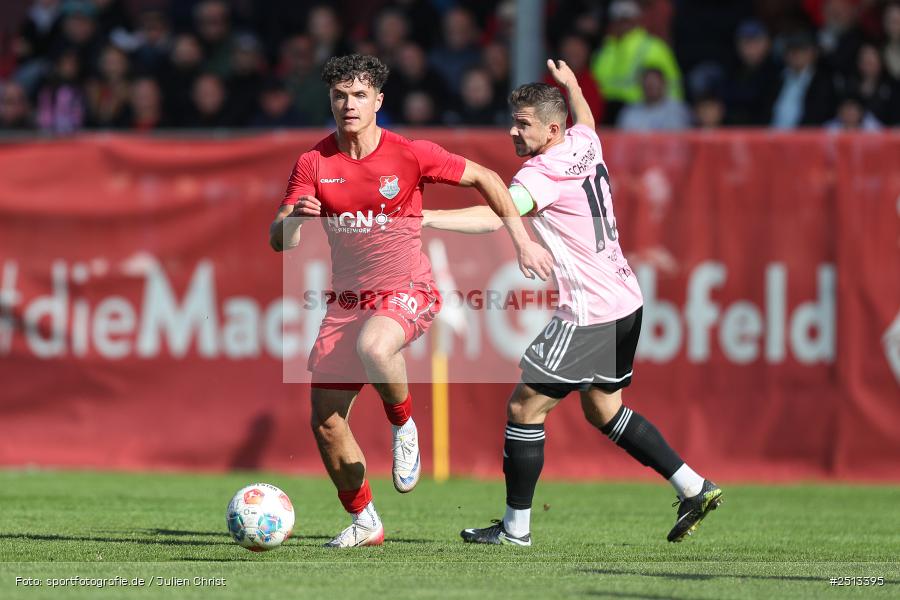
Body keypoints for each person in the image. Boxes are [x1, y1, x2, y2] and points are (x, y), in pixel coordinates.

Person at [422, 59, 722, 546]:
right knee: (604, 410)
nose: (513, 132)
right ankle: (693, 486)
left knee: (523, 409)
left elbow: (495, 214)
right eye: (513, 121)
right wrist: (573, 85)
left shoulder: (544, 174)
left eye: (523, 124)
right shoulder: (584, 142)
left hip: (590, 312)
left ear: (551, 128)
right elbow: (588, 118)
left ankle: (516, 531)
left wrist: (428, 218)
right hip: (627, 300)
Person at [268, 54, 553, 549]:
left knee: (377, 347)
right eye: (340, 95)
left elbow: (486, 177)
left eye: (359, 95)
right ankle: (365, 522)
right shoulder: (314, 162)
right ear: (330, 101)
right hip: (348, 300)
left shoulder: (410, 153)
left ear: (379, 100)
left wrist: (521, 239)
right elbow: (280, 241)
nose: (348, 104)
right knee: (327, 422)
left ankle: (403, 426)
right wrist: (294, 220)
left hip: (407, 288)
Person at [617, 68, 690, 130]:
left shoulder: (679, 110)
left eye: (654, 84)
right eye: (648, 84)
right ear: (641, 86)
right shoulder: (629, 113)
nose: (651, 87)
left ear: (664, 84)